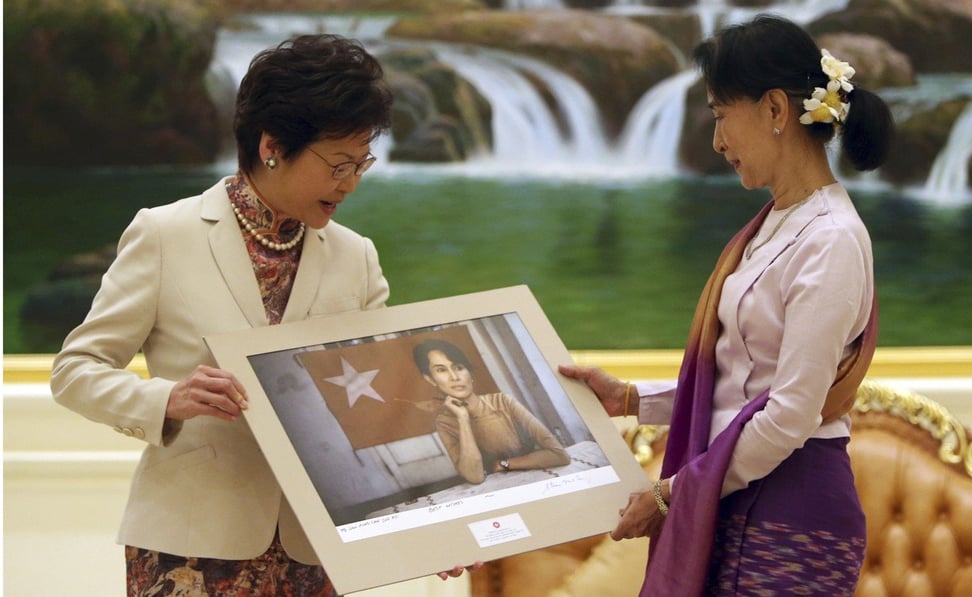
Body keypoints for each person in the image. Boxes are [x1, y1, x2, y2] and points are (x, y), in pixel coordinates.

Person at [50, 34, 479, 595]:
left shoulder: (357, 256)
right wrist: (166, 399)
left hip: (317, 551)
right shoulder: (165, 233)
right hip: (189, 548)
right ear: (272, 144)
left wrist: (433, 524)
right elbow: (75, 369)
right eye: (339, 163)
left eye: (363, 162)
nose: (350, 182)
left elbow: (389, 412)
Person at [559, 14, 892, 596]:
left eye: (719, 115)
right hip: (742, 498)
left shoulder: (832, 237)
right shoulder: (774, 224)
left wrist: (673, 494)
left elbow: (789, 412)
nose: (716, 142)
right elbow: (741, 382)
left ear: (773, 110)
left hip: (792, 516)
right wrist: (633, 400)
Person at [413, 338, 571, 484]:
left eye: (459, 367)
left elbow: (559, 455)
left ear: (469, 372)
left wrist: (503, 464)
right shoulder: (444, 423)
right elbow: (474, 477)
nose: (454, 377)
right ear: (430, 379)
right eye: (441, 370)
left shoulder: (503, 401)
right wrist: (463, 419)